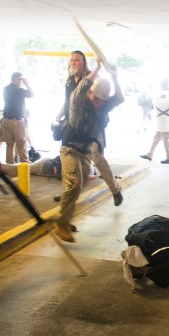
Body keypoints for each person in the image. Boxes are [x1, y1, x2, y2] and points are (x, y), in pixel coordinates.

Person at [52, 66, 124, 242]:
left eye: (102, 100)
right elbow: (83, 85)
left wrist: (115, 77)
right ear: (91, 93)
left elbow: (120, 98)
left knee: (79, 186)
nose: (99, 103)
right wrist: (98, 67)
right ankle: (61, 223)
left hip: (85, 153)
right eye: (97, 99)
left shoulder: (103, 106)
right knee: (74, 184)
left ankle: (66, 219)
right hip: (69, 149)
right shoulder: (78, 103)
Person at [55, 51, 123, 206]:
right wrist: (59, 116)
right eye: (72, 60)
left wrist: (100, 69)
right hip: (74, 127)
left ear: (83, 63)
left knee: (97, 158)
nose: (73, 63)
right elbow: (68, 101)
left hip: (92, 129)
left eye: (77, 60)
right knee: (71, 164)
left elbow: (102, 98)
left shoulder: (92, 80)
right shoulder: (70, 80)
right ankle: (69, 195)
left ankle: (115, 189)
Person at [140, 78, 169, 164]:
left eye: (162, 83)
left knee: (166, 138)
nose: (161, 85)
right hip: (161, 118)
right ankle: (150, 153)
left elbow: (168, 104)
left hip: (166, 119)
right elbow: (157, 102)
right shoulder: (161, 93)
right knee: (156, 137)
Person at [1, 71, 33, 164]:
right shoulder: (18, 90)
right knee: (21, 145)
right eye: (20, 79)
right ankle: (25, 166)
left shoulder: (5, 89)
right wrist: (27, 83)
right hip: (17, 121)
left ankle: (9, 167)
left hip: (5, 120)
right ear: (16, 79)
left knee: (9, 145)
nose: (21, 82)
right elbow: (32, 94)